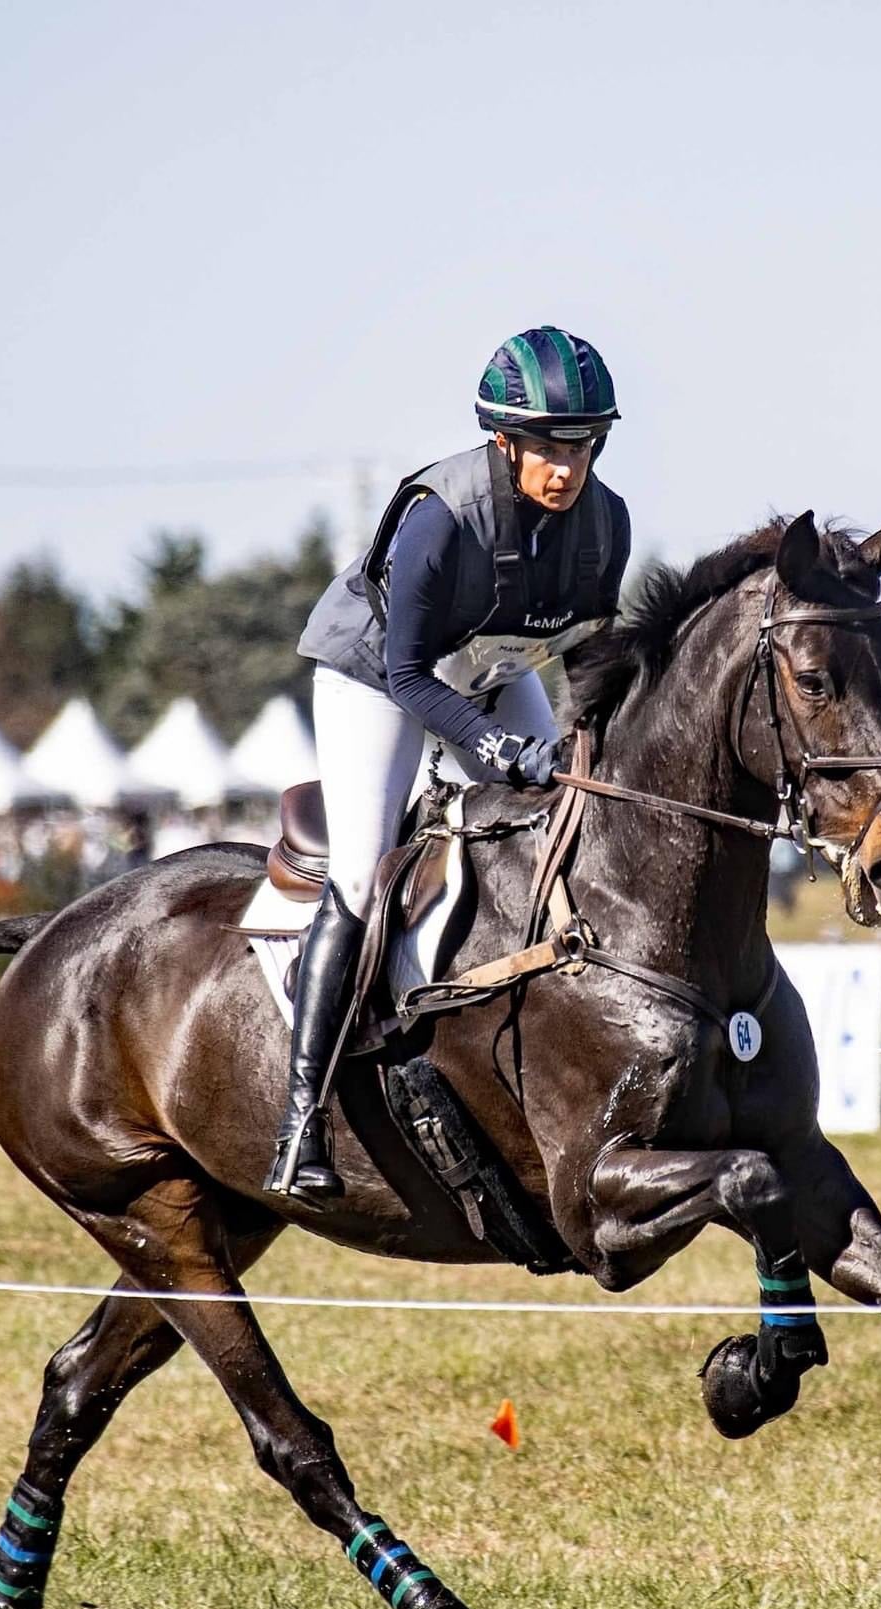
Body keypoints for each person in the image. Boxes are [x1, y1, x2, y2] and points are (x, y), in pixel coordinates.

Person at [269, 327, 632, 1199]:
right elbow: (405, 673)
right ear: (502, 441)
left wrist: (598, 749)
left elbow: (591, 659)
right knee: (360, 876)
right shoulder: (441, 519)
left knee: (565, 824)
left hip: (491, 667)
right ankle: (301, 1119)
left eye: (581, 446)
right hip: (379, 677)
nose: (565, 467)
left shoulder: (604, 522)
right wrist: (490, 743)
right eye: (546, 446)